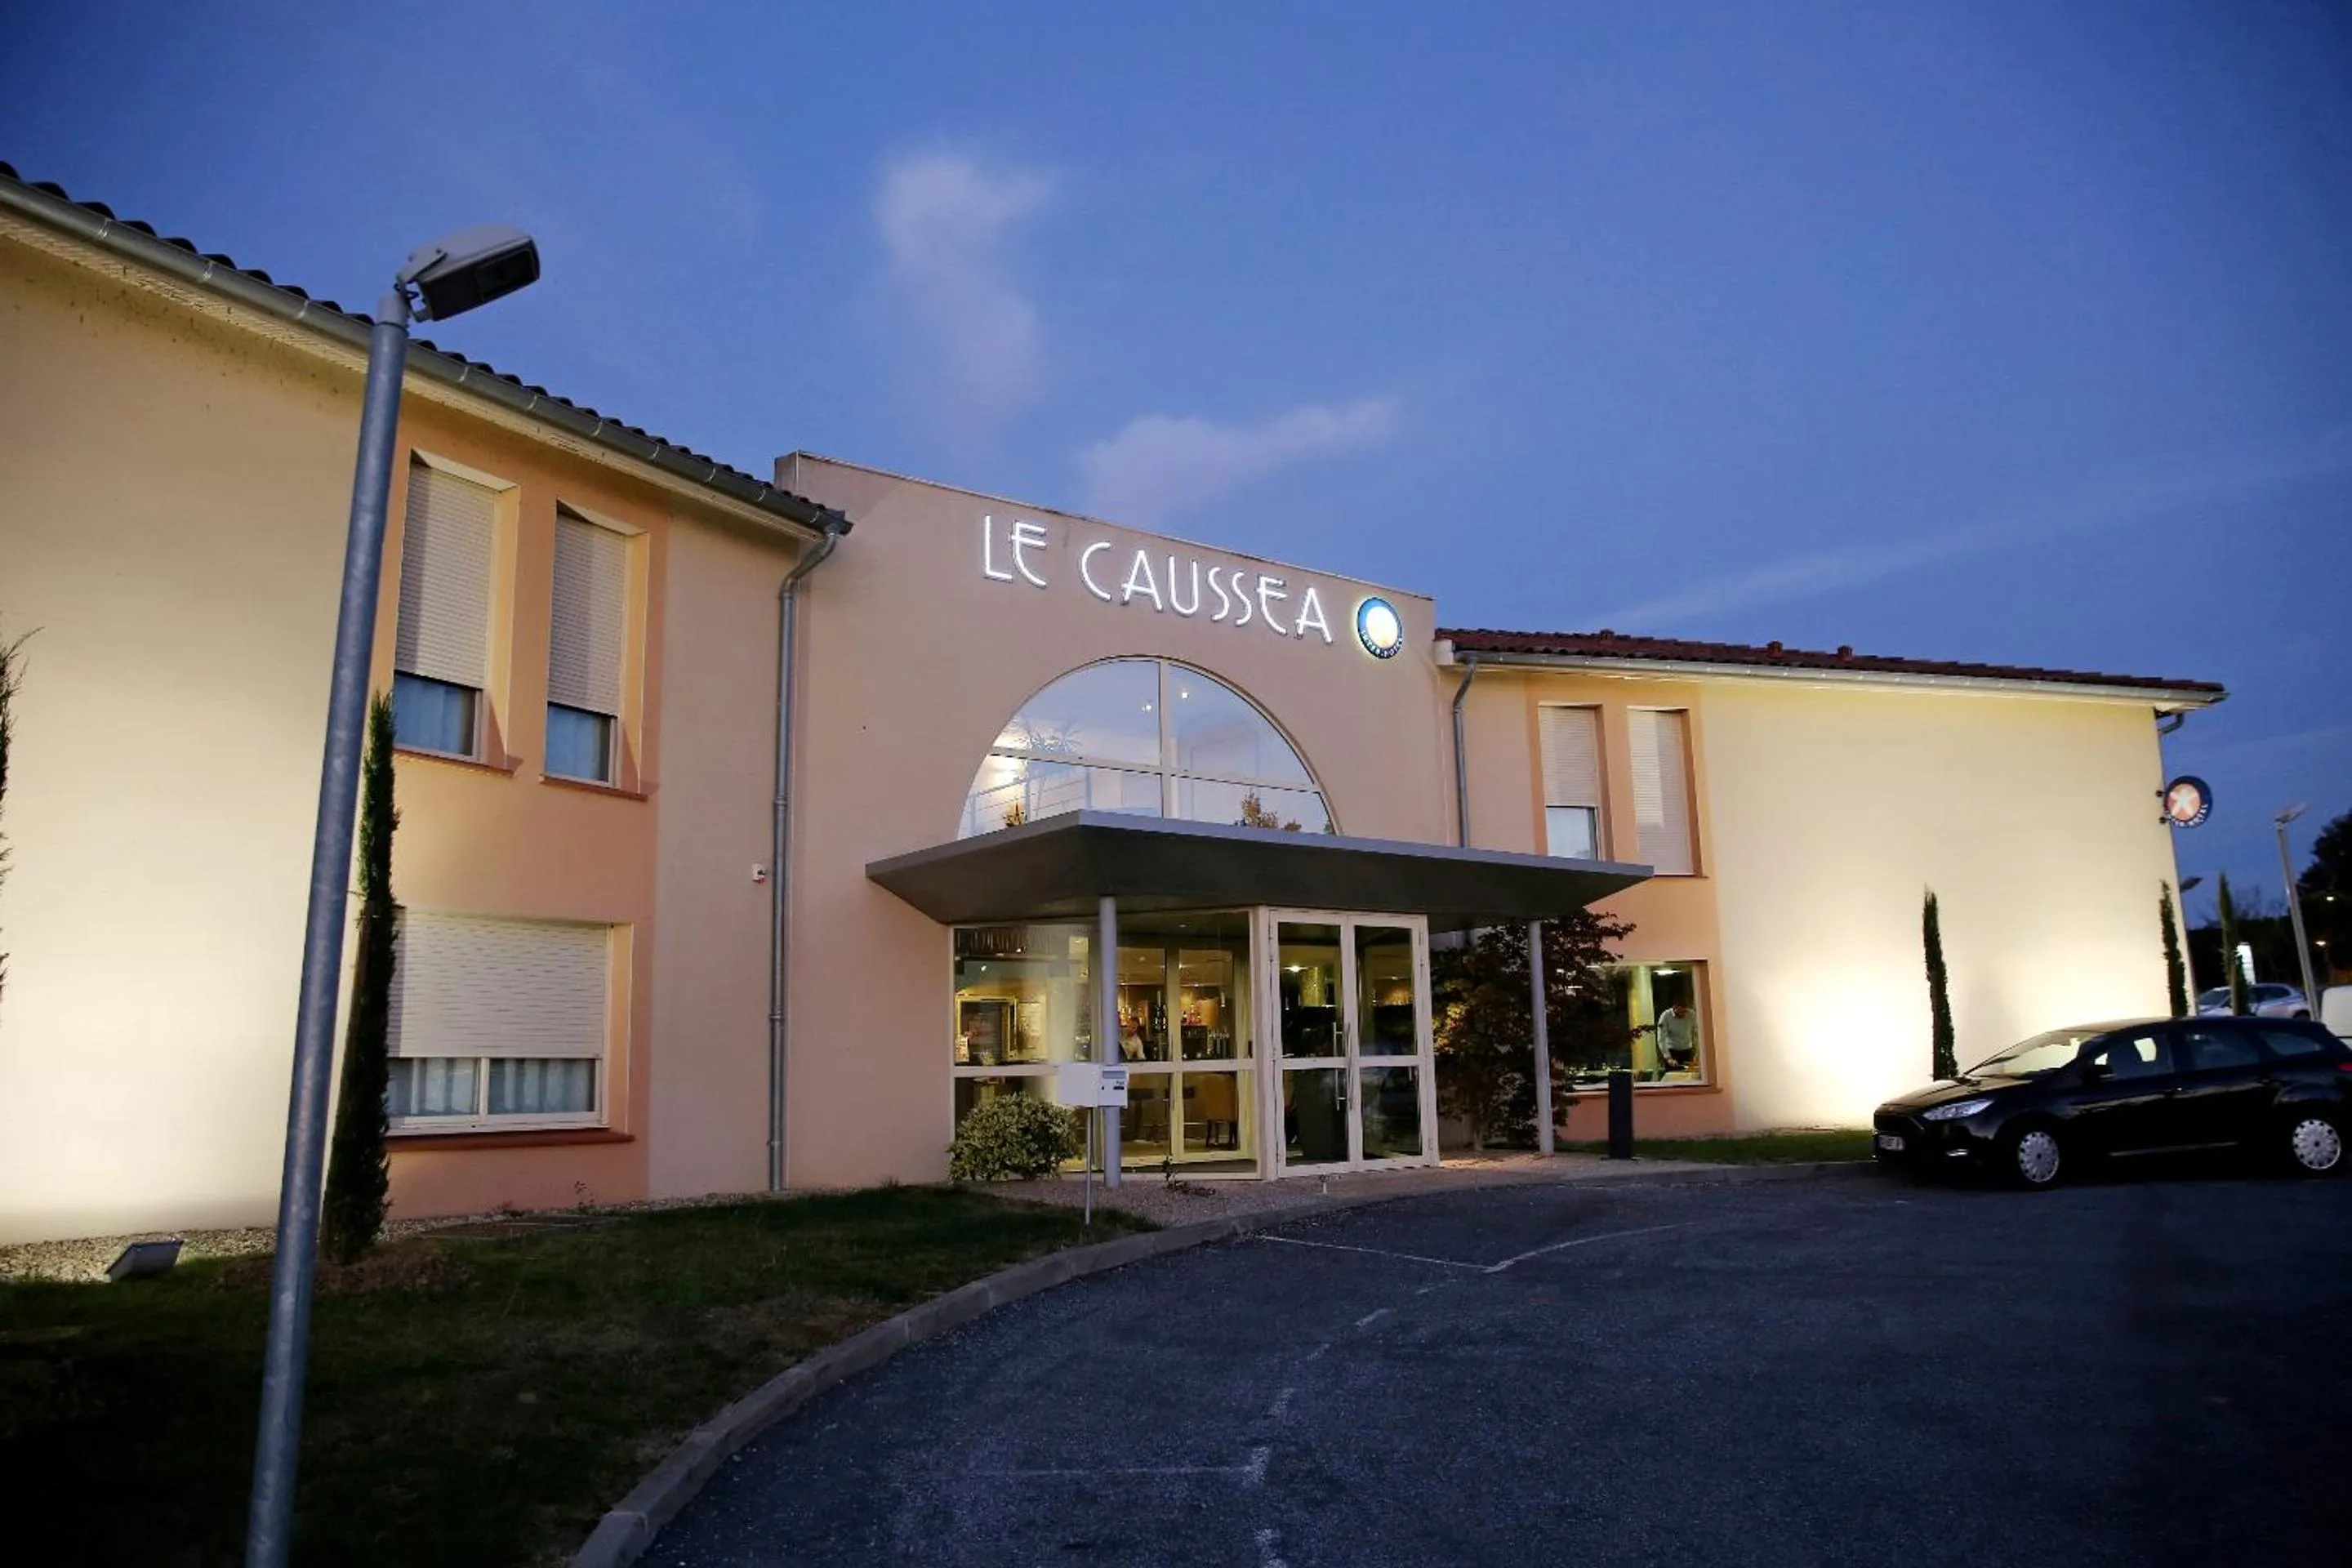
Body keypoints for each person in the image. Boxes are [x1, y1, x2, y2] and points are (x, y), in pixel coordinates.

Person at [1655, 1003, 1698, 1078]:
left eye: (1684, 1012)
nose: (1682, 1014)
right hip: (1672, 1051)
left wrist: (1698, 1053)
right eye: (1680, 1012)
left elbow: (1697, 1034)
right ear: (1674, 1008)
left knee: (1688, 1078)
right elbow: (1661, 1039)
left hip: (1687, 1050)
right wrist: (1668, 1058)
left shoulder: (1692, 1014)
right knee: (1672, 1077)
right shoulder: (1666, 1016)